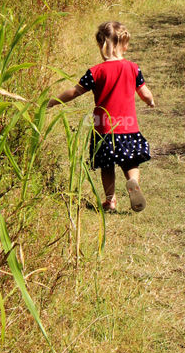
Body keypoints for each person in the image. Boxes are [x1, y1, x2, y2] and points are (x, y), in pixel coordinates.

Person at [48, 20, 156, 213]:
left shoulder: (95, 72)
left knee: (107, 165)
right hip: (128, 127)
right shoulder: (133, 68)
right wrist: (150, 101)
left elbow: (74, 92)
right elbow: (144, 92)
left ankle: (110, 200)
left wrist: (52, 102)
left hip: (104, 129)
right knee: (130, 161)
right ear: (124, 44)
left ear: (101, 45)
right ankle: (133, 182)